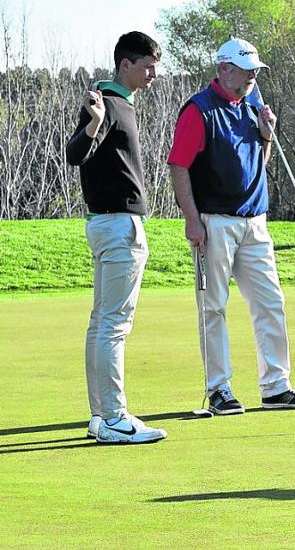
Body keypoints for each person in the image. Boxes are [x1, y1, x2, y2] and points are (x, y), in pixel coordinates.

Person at [167, 36, 295, 415]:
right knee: (213, 307)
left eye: (255, 71)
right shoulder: (199, 111)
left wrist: (267, 133)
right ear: (224, 69)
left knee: (271, 302)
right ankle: (219, 389)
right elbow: (178, 166)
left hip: (255, 221)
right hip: (213, 222)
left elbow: (259, 161)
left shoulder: (253, 103)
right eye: (246, 71)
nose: (253, 77)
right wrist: (192, 221)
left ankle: (276, 386)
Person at [65, 31, 167, 444]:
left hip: (110, 223)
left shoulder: (120, 104)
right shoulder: (105, 103)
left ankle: (101, 416)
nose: (153, 75)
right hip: (118, 224)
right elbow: (75, 154)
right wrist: (92, 122)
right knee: (113, 325)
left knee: (102, 324)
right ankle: (112, 417)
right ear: (126, 64)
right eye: (147, 66)